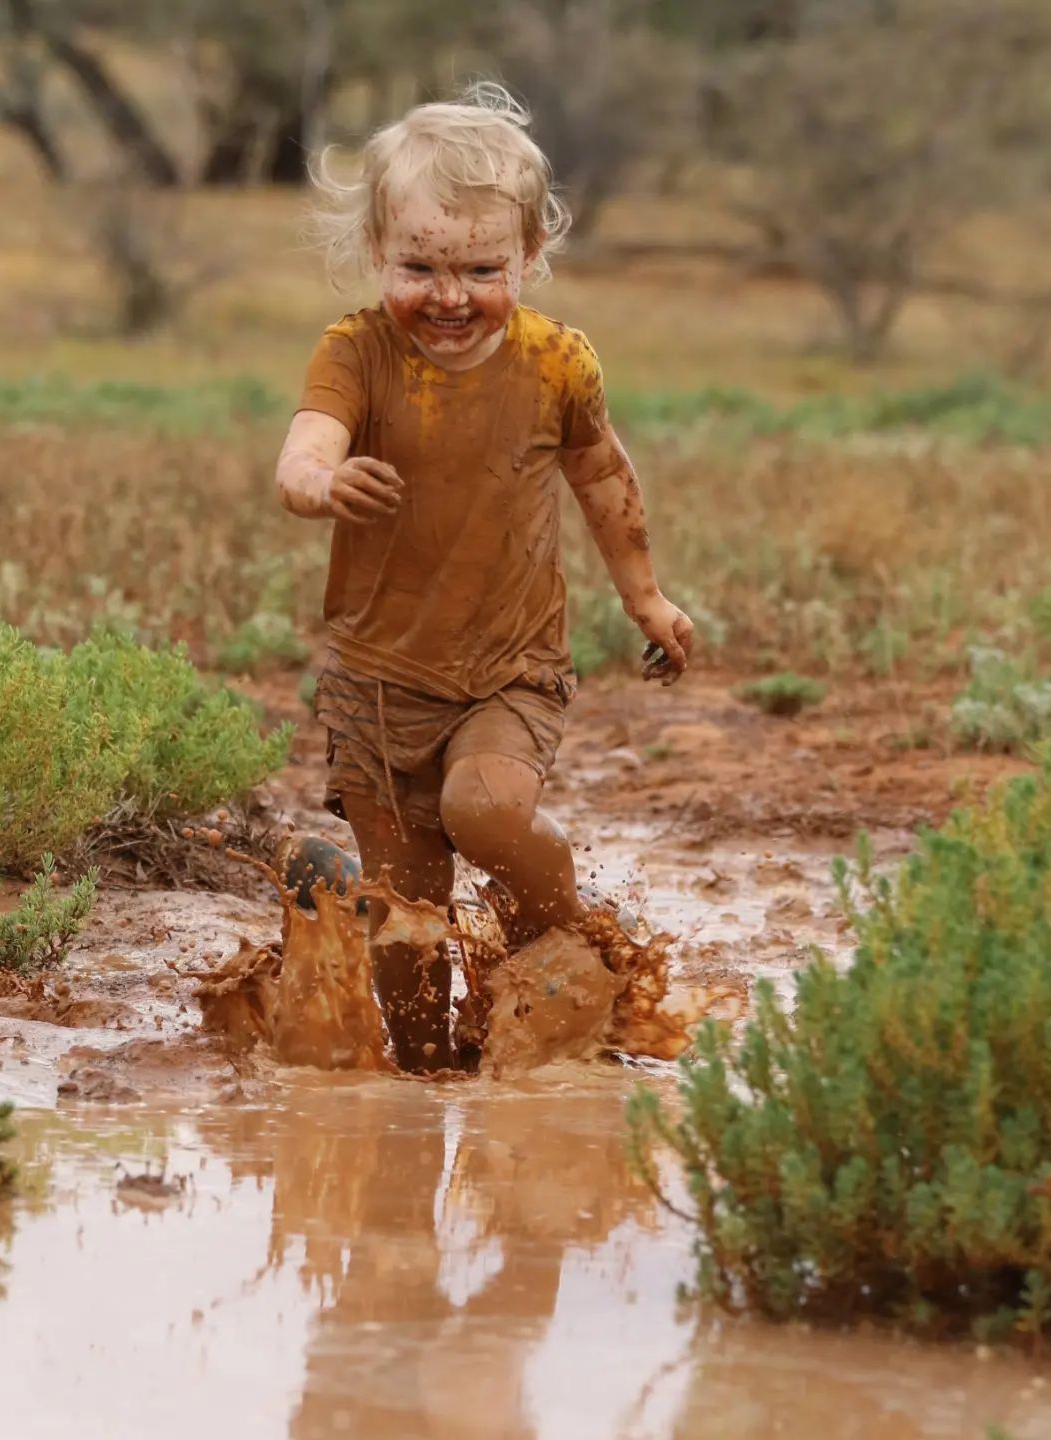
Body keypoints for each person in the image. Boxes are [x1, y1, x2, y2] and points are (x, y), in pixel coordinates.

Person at [274, 83, 694, 1073]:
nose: (449, 295)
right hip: (377, 682)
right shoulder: (357, 353)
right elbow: (300, 455)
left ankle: (579, 943)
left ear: (529, 260)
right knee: (407, 928)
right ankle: (425, 1097)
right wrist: (320, 481)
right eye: (419, 266)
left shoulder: (557, 365)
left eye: (479, 269)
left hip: (511, 666)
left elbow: (602, 475)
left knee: (485, 812)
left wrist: (646, 597)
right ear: (378, 252)